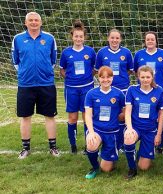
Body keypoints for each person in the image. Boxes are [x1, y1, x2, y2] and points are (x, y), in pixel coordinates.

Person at [11, 12, 59, 159]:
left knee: (49, 115)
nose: (33, 22)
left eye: (36, 20)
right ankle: (25, 148)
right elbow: (15, 61)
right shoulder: (18, 39)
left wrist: (44, 73)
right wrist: (26, 73)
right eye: (30, 20)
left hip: (46, 83)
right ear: (25, 23)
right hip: (26, 84)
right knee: (25, 116)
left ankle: (53, 147)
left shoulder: (49, 38)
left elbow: (53, 60)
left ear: (41, 22)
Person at [59, 19, 96, 154]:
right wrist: (70, 78)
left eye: (81, 36)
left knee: (87, 117)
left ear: (84, 37)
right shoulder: (66, 53)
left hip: (87, 88)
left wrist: (87, 77)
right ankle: (73, 145)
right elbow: (62, 69)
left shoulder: (90, 51)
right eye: (76, 36)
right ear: (72, 37)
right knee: (72, 118)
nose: (78, 38)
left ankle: (89, 145)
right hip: (71, 89)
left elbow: (94, 68)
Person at [123, 66, 163, 180]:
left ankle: (140, 154)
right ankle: (132, 169)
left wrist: (159, 134)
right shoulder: (132, 90)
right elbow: (128, 111)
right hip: (136, 127)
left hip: (150, 130)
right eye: (142, 77)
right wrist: (129, 128)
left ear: (152, 77)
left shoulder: (158, 91)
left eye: (148, 77)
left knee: (144, 167)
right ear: (138, 77)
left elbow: (161, 114)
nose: (145, 79)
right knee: (128, 138)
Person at [84, 66, 125, 179]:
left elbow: (124, 112)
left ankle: (109, 158)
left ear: (112, 78)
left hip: (112, 132)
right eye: (102, 77)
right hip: (97, 130)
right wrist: (91, 132)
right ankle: (95, 167)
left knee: (106, 169)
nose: (105, 80)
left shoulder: (119, 94)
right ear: (98, 78)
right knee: (91, 144)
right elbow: (87, 115)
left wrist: (122, 116)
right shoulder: (91, 94)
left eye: (108, 77)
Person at [96, 29, 133, 151]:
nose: (114, 40)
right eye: (112, 38)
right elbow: (98, 71)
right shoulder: (101, 53)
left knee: (122, 116)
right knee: (110, 115)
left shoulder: (126, 52)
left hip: (123, 89)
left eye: (117, 38)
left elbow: (129, 70)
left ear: (120, 39)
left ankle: (121, 143)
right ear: (108, 38)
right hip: (107, 89)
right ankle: (108, 141)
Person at [133, 31, 163, 153]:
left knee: (159, 116)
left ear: (156, 41)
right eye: (148, 39)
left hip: (159, 91)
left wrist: (160, 82)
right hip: (143, 92)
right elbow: (135, 72)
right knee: (145, 115)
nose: (150, 41)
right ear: (145, 41)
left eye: (152, 39)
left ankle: (159, 145)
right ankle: (142, 139)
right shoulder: (139, 54)